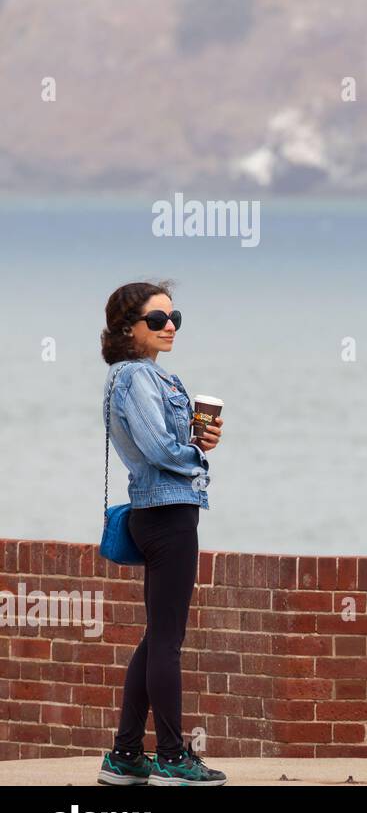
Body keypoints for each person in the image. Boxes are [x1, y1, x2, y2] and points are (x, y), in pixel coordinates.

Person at [95, 280, 228, 786]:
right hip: (168, 516)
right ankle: (173, 758)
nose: (169, 326)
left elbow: (166, 443)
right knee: (169, 642)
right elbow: (156, 448)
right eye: (157, 320)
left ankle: (126, 755)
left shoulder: (144, 377)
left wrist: (201, 439)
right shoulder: (137, 379)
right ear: (128, 328)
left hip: (158, 512)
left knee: (156, 639)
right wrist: (195, 459)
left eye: (174, 318)